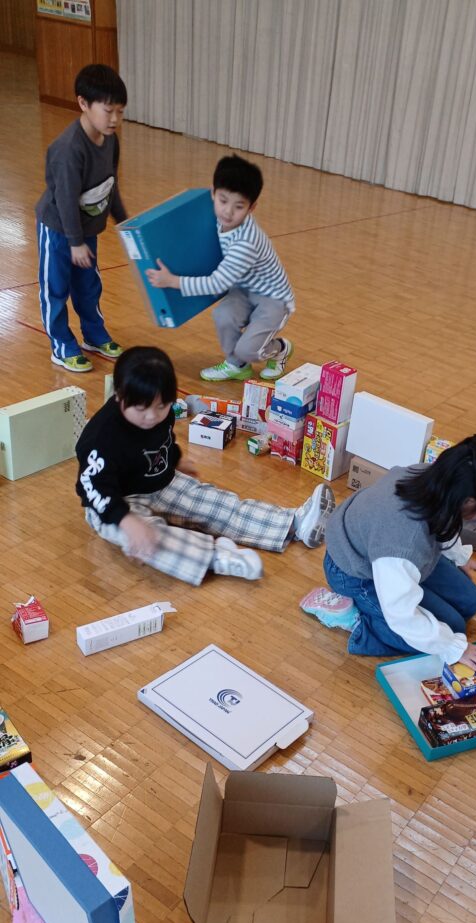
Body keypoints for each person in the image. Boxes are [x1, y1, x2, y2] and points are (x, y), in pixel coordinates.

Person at [75, 346, 334, 584]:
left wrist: (175, 459)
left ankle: (293, 523)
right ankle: (215, 556)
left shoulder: (161, 414)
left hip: (159, 482)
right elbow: (90, 486)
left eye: (161, 406)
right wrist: (126, 520)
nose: (152, 416)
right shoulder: (101, 437)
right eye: (142, 409)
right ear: (120, 396)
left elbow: (165, 439)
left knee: (218, 504)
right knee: (146, 538)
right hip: (112, 503)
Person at [300, 433, 476, 671]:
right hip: (353, 570)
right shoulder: (402, 541)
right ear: (469, 500)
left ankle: (402, 606)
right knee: (450, 629)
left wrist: (460, 557)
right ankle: (354, 621)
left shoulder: (440, 479)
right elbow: (402, 616)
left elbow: (445, 522)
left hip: (382, 548)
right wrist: (456, 648)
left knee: (469, 602)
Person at [146, 154, 295, 383]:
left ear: (252, 208)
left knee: (248, 349)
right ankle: (237, 365)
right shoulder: (217, 216)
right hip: (244, 288)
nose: (228, 212)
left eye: (239, 206)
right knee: (223, 315)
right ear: (213, 193)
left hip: (273, 298)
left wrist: (172, 281)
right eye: (223, 201)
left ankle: (280, 349)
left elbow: (217, 283)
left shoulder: (246, 243)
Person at [36, 64, 128, 373]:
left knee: (88, 285)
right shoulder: (69, 149)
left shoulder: (110, 140)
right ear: (83, 103)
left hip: (85, 228)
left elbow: (110, 185)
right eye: (108, 110)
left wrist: (124, 222)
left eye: (120, 111)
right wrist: (74, 242)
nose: (114, 119)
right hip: (58, 228)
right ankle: (61, 345)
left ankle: (94, 334)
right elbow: (64, 200)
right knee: (56, 288)